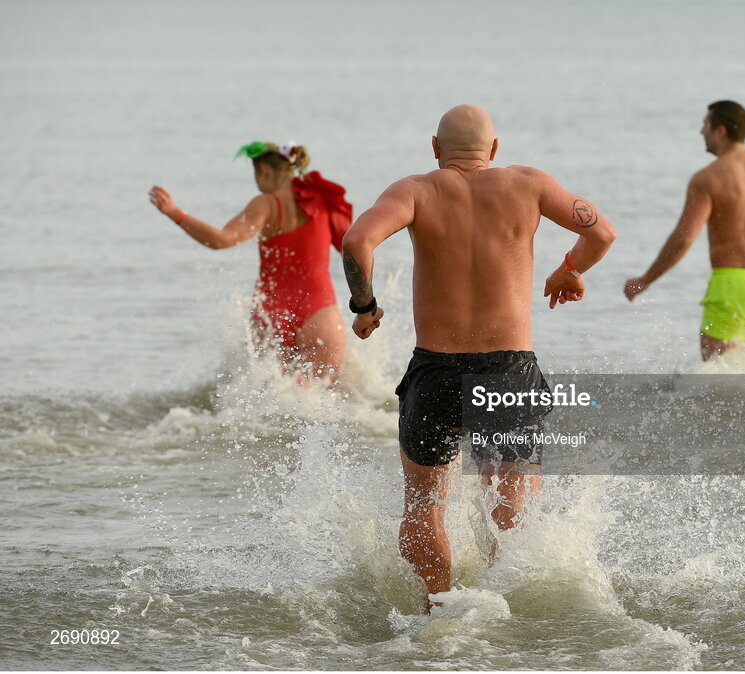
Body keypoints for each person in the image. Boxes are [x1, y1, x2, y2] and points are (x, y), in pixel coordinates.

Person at [341, 104, 616, 611]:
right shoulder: (528, 183)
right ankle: (500, 615)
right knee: (511, 508)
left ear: (435, 148)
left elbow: (357, 241)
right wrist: (567, 270)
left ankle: (437, 608)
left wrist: (365, 306)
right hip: (508, 369)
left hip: (436, 369)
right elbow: (601, 232)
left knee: (425, 503)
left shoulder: (416, 190)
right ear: (494, 150)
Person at [149, 142, 353, 382]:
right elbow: (352, 250)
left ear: (264, 171)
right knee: (326, 402)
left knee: (272, 402)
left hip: (272, 315)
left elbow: (221, 240)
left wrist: (175, 212)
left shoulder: (266, 203)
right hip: (320, 312)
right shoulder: (323, 199)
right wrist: (366, 303)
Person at [624, 101, 745, 361]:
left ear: (721, 131)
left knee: (718, 384)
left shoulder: (707, 178)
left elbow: (683, 239)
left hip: (731, 283)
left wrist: (646, 279)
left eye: (705, 125)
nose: (701, 132)